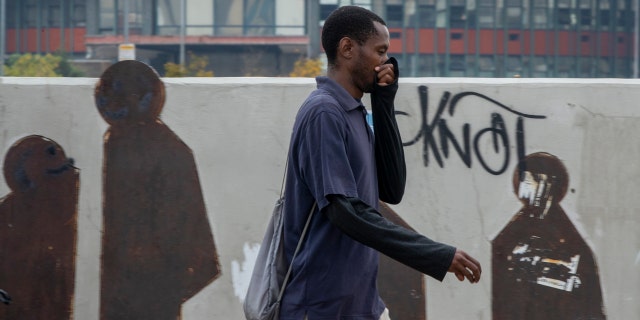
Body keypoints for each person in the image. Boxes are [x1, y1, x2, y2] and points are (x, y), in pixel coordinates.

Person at [281, 5, 482, 320]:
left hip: (361, 305)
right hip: (320, 307)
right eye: (380, 51)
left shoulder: (353, 112)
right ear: (348, 48)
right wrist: (436, 255)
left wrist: (384, 102)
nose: (385, 62)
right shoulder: (324, 113)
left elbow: (392, 187)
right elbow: (344, 211)